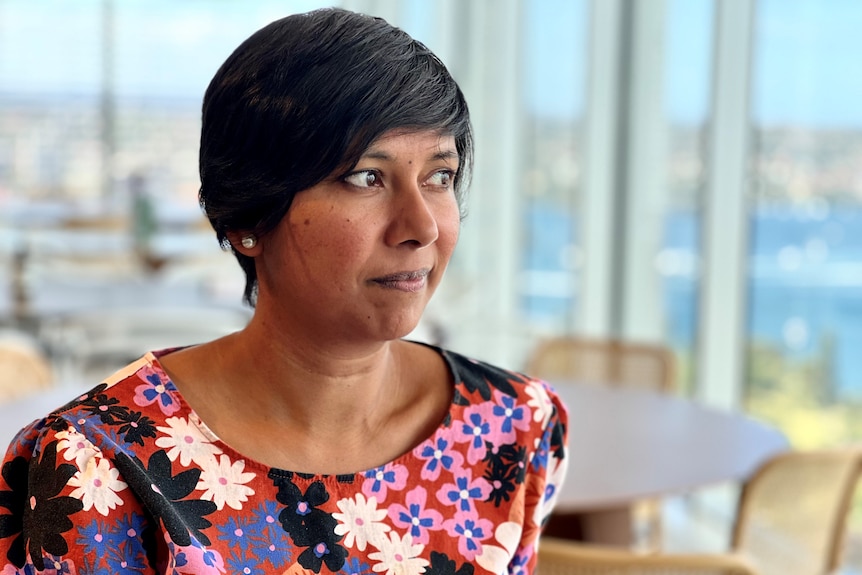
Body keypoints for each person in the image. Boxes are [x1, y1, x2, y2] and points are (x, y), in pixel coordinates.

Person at [0, 8, 568, 574]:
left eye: (439, 177)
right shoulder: (97, 466)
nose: (422, 227)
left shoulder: (513, 427)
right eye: (366, 177)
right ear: (251, 214)